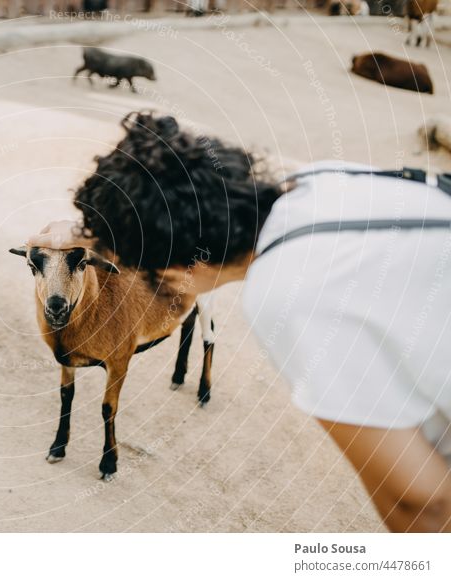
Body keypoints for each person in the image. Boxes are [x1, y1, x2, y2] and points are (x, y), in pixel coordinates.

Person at [28, 112, 451, 532]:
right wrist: (86, 232)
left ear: (176, 273)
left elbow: (419, 501)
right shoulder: (321, 181)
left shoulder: (288, 291)